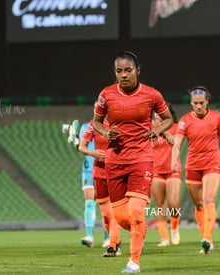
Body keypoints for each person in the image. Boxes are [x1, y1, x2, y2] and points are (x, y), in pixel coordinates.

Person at [93, 51, 173, 273]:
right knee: (120, 217)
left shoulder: (151, 95)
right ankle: (140, 233)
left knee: (137, 211)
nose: (123, 75)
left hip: (141, 159)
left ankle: (134, 261)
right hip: (115, 161)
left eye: (128, 70)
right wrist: (106, 132)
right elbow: (96, 122)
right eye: (119, 71)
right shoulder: (106, 95)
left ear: (138, 70)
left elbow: (168, 118)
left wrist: (157, 130)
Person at [171, 86, 220, 254]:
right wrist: (174, 160)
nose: (198, 106)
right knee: (199, 205)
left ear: (207, 101)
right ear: (191, 103)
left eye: (201, 103)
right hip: (192, 166)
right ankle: (209, 242)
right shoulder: (185, 120)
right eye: (195, 103)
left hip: (212, 163)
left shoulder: (217, 118)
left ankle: (206, 239)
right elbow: (177, 143)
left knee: (208, 200)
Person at [78, 118, 122, 256]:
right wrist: (93, 153)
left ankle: (113, 244)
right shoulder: (93, 124)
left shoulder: (121, 122)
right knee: (105, 212)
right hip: (98, 171)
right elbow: (81, 146)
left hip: (117, 170)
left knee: (116, 209)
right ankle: (109, 240)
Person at [66, 120, 110, 248]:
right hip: (88, 169)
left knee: (105, 204)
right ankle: (89, 236)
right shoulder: (87, 126)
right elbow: (81, 146)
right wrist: (75, 141)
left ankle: (108, 237)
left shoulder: (111, 125)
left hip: (105, 168)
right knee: (90, 202)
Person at [151, 104, 182, 247]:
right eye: (155, 118)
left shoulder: (175, 127)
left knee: (174, 204)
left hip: (172, 170)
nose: (157, 120)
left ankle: (174, 228)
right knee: (159, 205)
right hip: (156, 171)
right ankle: (164, 237)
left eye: (160, 118)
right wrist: (156, 131)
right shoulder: (150, 131)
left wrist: (164, 132)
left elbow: (176, 143)